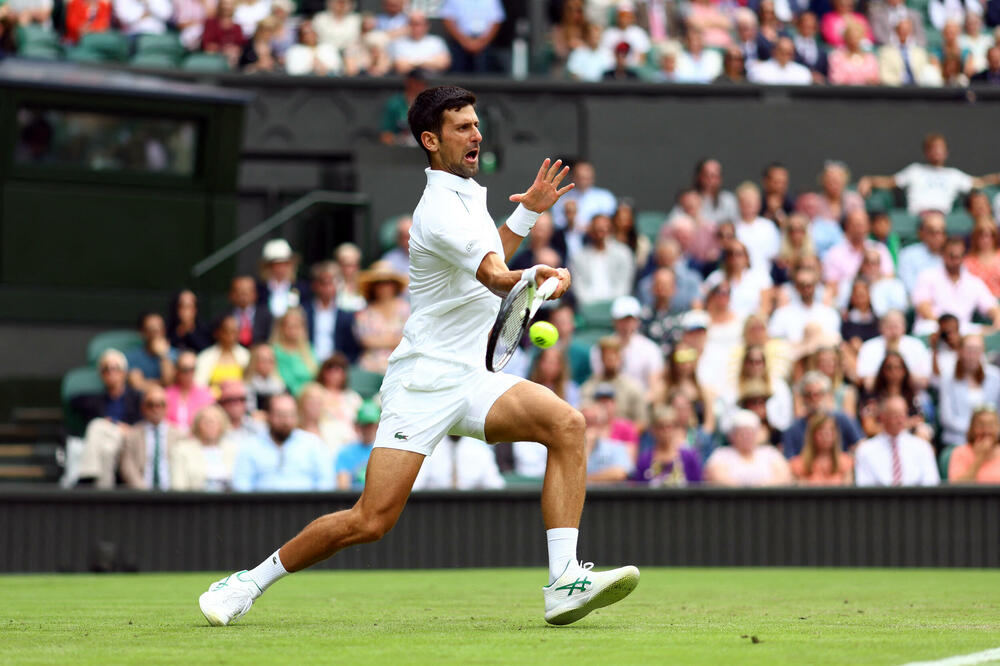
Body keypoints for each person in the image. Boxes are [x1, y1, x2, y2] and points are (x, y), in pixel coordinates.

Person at [198, 86, 638, 628]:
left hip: (472, 376)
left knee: (567, 425)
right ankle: (247, 582)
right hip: (423, 383)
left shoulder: (467, 195)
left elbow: (487, 261)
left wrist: (526, 217)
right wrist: (536, 277)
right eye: (462, 127)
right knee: (370, 520)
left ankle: (563, 581)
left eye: (476, 124)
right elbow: (495, 276)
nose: (476, 135)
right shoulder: (439, 210)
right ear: (431, 140)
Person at [857, 134, 1000, 217]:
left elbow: (979, 183)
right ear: (926, 152)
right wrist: (869, 180)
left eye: (940, 148)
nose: (936, 152)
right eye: (932, 148)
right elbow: (890, 182)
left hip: (942, 218)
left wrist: (996, 178)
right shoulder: (914, 170)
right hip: (918, 217)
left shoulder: (953, 175)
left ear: (946, 152)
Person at [231, 393, 335, 492]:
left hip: (307, 503)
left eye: (290, 415)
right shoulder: (250, 447)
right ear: (268, 416)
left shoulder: (313, 444)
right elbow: (241, 485)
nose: (285, 421)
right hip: (262, 503)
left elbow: (326, 482)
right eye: (280, 415)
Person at [70, 349, 143, 489]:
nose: (111, 373)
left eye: (115, 368)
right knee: (106, 449)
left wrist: (115, 424)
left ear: (124, 373)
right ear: (101, 375)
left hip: (129, 440)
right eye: (106, 369)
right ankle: (105, 493)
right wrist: (111, 424)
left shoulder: (136, 398)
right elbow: (73, 400)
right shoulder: (97, 400)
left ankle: (86, 475)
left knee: (96, 425)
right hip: (109, 442)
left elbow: (143, 424)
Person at [912, 236, 1000, 335]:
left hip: (963, 329)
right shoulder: (927, 276)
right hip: (934, 326)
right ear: (943, 255)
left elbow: (992, 306)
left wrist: (997, 320)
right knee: (928, 327)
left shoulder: (974, 282)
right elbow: (923, 307)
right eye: (952, 256)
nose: (955, 261)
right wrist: (947, 326)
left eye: (959, 256)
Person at [854, 396, 940, 486]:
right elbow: (864, 486)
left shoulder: (923, 447)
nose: (900, 420)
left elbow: (931, 483)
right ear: (882, 417)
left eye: (903, 415)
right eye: (895, 416)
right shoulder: (865, 450)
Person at [587, 297, 663, 396]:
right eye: (622, 320)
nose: (627, 325)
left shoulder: (651, 349)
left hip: (640, 400)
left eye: (631, 320)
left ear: (637, 321)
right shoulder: (599, 349)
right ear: (614, 321)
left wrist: (639, 402)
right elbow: (599, 380)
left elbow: (655, 387)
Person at [782, 371, 863, 458]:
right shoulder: (793, 430)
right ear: (803, 398)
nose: (814, 399)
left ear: (828, 395)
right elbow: (790, 460)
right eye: (809, 395)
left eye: (819, 394)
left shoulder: (842, 419)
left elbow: (861, 445)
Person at [938, 334, 1000, 447]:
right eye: (969, 349)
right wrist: (976, 431)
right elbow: (947, 418)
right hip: (957, 439)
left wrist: (989, 432)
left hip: (990, 439)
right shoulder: (947, 378)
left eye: (977, 350)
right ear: (960, 351)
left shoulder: (995, 376)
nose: (972, 354)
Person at [119, 385, 184, 490]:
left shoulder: (179, 436)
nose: (156, 409)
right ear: (143, 407)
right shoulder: (133, 435)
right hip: (141, 492)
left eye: (161, 405)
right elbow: (127, 467)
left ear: (167, 407)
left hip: (172, 493)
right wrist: (143, 491)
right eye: (151, 405)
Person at [703, 409, 792, 487]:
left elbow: (784, 476)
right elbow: (717, 477)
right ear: (732, 435)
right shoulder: (721, 455)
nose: (746, 437)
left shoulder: (770, 453)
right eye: (742, 433)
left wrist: (759, 489)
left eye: (750, 433)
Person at [355, 261, 410, 374]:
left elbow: (410, 338)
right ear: (373, 287)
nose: (383, 287)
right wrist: (394, 340)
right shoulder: (365, 313)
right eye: (379, 283)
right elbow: (365, 341)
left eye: (387, 282)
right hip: (371, 368)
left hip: (402, 366)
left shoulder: (406, 309)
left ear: (394, 285)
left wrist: (381, 340)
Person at [301, 261, 360, 365]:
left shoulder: (346, 316)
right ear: (315, 285)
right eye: (324, 283)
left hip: (336, 367)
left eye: (332, 283)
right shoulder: (303, 312)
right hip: (307, 364)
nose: (328, 288)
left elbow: (352, 349)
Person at [171, 405, 238, 491]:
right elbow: (178, 486)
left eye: (215, 420)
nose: (211, 424)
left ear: (222, 425)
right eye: (206, 421)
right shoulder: (182, 450)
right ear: (197, 425)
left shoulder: (233, 449)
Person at [768, 266, 841, 344]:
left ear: (815, 286)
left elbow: (833, 340)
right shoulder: (782, 314)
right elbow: (775, 339)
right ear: (796, 287)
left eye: (809, 285)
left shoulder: (829, 314)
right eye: (802, 285)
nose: (806, 289)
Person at [633, 406, 702, 486]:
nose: (666, 431)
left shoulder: (689, 457)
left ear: (675, 428)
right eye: (661, 427)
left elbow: (697, 487)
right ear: (653, 430)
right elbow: (639, 489)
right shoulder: (644, 459)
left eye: (669, 426)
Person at [412, 434, 507, 490]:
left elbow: (496, 486)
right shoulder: (427, 449)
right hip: (434, 510)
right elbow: (416, 486)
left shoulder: (480, 450)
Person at [789, 411, 854, 485]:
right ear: (812, 435)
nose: (826, 436)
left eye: (831, 431)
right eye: (821, 432)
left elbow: (847, 488)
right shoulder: (799, 465)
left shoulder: (845, 462)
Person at [440, 0, 505, 73]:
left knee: (487, 67)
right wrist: (464, 42)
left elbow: (496, 21)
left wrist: (481, 43)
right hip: (459, 42)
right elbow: (448, 19)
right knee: (457, 69)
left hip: (484, 42)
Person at [580, 404, 635, 484]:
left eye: (593, 422)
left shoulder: (616, 447)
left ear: (602, 425)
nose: (589, 427)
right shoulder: (570, 450)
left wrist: (587, 479)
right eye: (585, 422)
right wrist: (587, 448)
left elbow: (620, 474)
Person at [194, 315, 250, 392]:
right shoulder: (205, 357)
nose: (232, 336)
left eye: (235, 331)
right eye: (228, 331)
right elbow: (199, 386)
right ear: (217, 333)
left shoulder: (246, 355)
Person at [165, 350, 216, 434]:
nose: (189, 373)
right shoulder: (167, 394)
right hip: (172, 438)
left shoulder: (206, 394)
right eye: (185, 370)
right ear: (177, 371)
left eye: (192, 369)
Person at [270, 307, 317, 396]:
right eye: (289, 326)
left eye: (297, 326)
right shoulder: (273, 351)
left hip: (308, 398)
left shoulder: (308, 350)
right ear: (281, 327)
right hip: (283, 396)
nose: (293, 330)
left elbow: (315, 375)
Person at [335, 399, 381, 490]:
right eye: (364, 425)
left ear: (377, 426)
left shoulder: (385, 452)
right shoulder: (345, 453)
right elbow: (343, 487)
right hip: (354, 498)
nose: (368, 429)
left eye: (371, 425)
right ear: (358, 426)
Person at [896, 211, 946, 292]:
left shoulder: (951, 256)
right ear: (922, 233)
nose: (938, 237)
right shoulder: (908, 254)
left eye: (941, 232)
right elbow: (908, 285)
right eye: (932, 232)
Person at [257, 239, 307, 319]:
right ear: (268, 267)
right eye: (276, 264)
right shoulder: (259, 290)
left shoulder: (301, 288)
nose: (280, 268)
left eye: (285, 264)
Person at [948, 406, 1000, 483]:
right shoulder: (960, 452)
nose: (986, 430)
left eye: (991, 425)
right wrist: (980, 458)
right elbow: (956, 486)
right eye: (981, 425)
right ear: (972, 428)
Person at [126, 312, 176, 391]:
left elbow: (170, 383)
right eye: (152, 330)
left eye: (159, 329)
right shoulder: (132, 357)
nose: (156, 334)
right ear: (142, 332)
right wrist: (161, 383)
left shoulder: (176, 354)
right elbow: (137, 385)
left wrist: (164, 355)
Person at [231, 275, 273, 348]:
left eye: (246, 292)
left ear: (255, 294)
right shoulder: (224, 317)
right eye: (240, 292)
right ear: (232, 294)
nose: (243, 297)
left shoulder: (266, 315)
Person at [244, 343, 286, 414]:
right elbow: (249, 410)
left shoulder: (279, 384)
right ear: (254, 362)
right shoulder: (247, 385)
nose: (267, 365)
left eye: (270, 361)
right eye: (263, 361)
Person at [166, 290, 212, 354]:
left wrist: (190, 331)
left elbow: (206, 350)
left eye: (189, 306)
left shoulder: (205, 330)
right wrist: (179, 332)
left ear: (195, 309)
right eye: (182, 306)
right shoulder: (167, 328)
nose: (186, 311)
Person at [963, 217, 1000, 297]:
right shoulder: (967, 261)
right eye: (981, 235)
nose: (986, 240)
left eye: (990, 235)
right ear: (976, 237)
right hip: (977, 302)